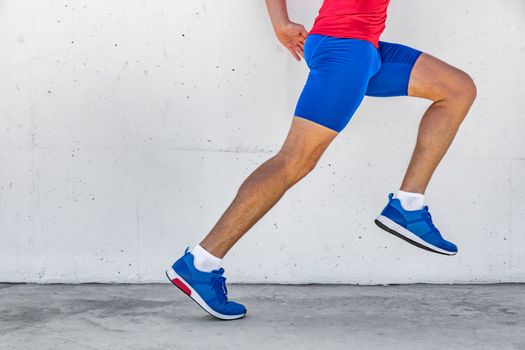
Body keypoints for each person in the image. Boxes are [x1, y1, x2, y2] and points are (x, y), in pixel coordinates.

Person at [166, 0, 477, 320]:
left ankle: (407, 205)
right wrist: (280, 24)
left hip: (364, 48)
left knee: (457, 88)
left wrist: (281, 24)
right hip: (345, 49)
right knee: (294, 160)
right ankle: (201, 263)